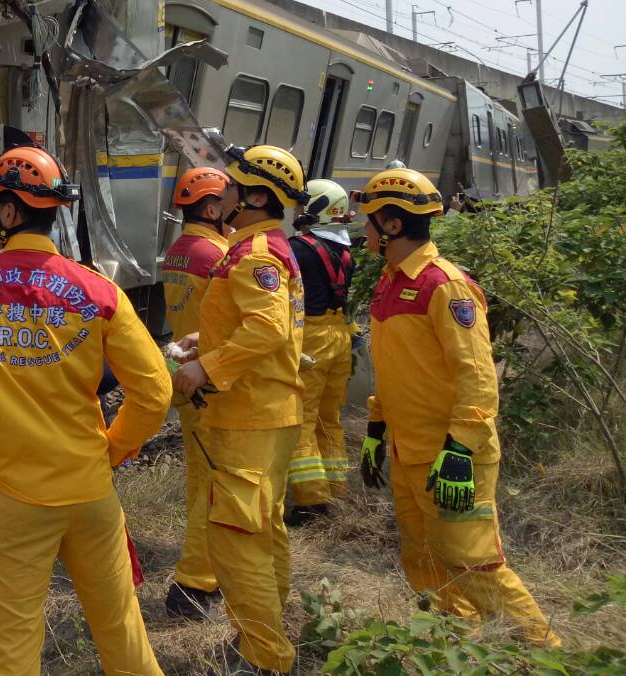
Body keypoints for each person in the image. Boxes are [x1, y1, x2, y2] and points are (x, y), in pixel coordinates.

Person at [0, 145, 170, 676]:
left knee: (13, 642)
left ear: (10, 211)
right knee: (122, 629)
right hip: (90, 491)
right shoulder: (100, 292)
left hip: (10, 497)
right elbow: (154, 391)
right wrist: (113, 449)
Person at [355, 168, 559, 644]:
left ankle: (545, 653)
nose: (363, 227)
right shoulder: (389, 282)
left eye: (370, 219)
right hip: (410, 451)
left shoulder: (445, 286)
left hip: (452, 454)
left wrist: (461, 448)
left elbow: (478, 376)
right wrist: (376, 429)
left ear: (392, 225)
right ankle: (458, 643)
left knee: (474, 563)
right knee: (423, 557)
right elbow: (399, 368)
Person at [171, 145, 306, 676]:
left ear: (253, 197)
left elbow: (268, 328)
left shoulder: (254, 254)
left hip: (249, 415)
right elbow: (257, 324)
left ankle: (264, 654)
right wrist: (205, 342)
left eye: (231, 186)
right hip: (268, 411)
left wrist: (207, 367)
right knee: (263, 529)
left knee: (237, 539)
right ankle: (267, 632)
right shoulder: (262, 248)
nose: (223, 194)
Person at [160, 166, 233, 621]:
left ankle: (206, 565)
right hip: (212, 380)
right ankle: (196, 582)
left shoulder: (179, 251)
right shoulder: (218, 255)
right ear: (210, 208)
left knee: (199, 482)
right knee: (215, 487)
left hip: (188, 376)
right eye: (229, 202)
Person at [284, 180, 356, 525]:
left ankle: (312, 503)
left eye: (302, 204)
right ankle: (336, 491)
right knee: (330, 420)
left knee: (302, 420)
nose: (297, 210)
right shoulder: (346, 251)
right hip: (340, 336)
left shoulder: (297, 249)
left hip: (312, 339)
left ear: (316, 208)